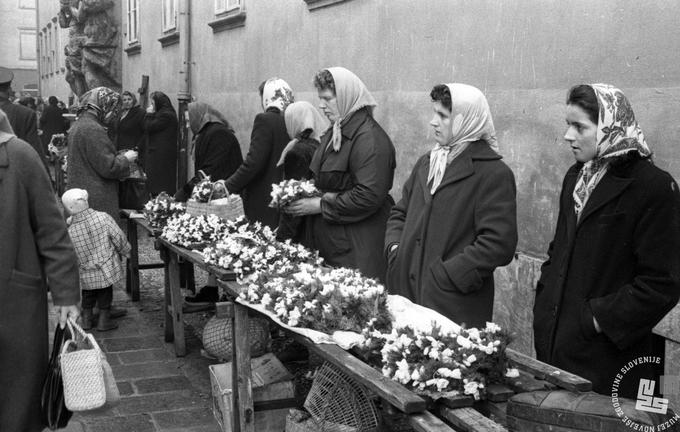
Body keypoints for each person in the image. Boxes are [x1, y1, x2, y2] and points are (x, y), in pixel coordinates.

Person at [533, 84, 680, 397]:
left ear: (610, 128)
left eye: (580, 127)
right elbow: (558, 250)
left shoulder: (653, 186)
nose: (568, 136)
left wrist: (596, 319)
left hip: (614, 358)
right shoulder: (576, 177)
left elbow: (663, 283)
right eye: (567, 125)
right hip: (559, 346)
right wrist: (544, 301)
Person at [384, 83, 517, 328]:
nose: (433, 122)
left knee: (442, 366)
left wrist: (448, 275)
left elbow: (499, 243)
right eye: (434, 113)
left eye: (443, 116)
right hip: (406, 292)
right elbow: (400, 212)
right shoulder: (427, 162)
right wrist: (395, 251)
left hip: (451, 304)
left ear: (467, 121)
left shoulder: (493, 173)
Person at [0, 108, 80, 432]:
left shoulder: (19, 156)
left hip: (12, 304)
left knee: (16, 403)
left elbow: (53, 231)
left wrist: (66, 295)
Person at [285, 67, 396, 281]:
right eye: (320, 98)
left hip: (356, 247)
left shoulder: (369, 139)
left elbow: (368, 195)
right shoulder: (336, 130)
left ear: (346, 97)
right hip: (336, 243)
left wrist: (319, 204)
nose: (321, 105)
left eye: (327, 98)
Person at [180, 101, 244, 305]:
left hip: (225, 203)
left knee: (224, 245)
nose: (189, 124)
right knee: (216, 245)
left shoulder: (218, 135)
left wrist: (185, 192)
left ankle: (227, 293)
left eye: (190, 119)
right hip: (216, 199)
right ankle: (211, 288)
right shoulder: (207, 133)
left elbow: (209, 171)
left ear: (201, 116)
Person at [225, 78, 293, 229]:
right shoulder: (293, 121)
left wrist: (227, 187)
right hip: (285, 198)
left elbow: (253, 163)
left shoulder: (264, 120)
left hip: (263, 199)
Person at [62, 188, 131, 331]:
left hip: (85, 270)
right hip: (105, 267)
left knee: (87, 294)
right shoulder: (103, 218)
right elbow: (118, 236)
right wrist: (126, 250)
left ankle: (86, 320)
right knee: (105, 293)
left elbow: (68, 253)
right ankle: (103, 321)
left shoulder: (70, 230)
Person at [67, 86, 138, 221]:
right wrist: (126, 158)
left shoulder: (80, 124)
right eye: (114, 109)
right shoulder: (93, 128)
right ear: (105, 105)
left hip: (82, 193)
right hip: (95, 197)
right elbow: (108, 167)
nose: (114, 115)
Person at [276, 100, 328, 243]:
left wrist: (282, 240)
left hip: (305, 230)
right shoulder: (322, 146)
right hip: (323, 225)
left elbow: (293, 200)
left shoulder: (298, 152)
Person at [0, 67, 46, 165]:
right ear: (9, 90)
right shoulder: (25, 114)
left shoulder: (25, 114)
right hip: (15, 173)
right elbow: (35, 153)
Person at [143, 91, 178, 195]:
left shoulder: (166, 115)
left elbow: (148, 127)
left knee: (160, 185)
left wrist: (149, 114)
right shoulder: (163, 113)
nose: (151, 106)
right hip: (158, 155)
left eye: (153, 104)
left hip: (161, 156)